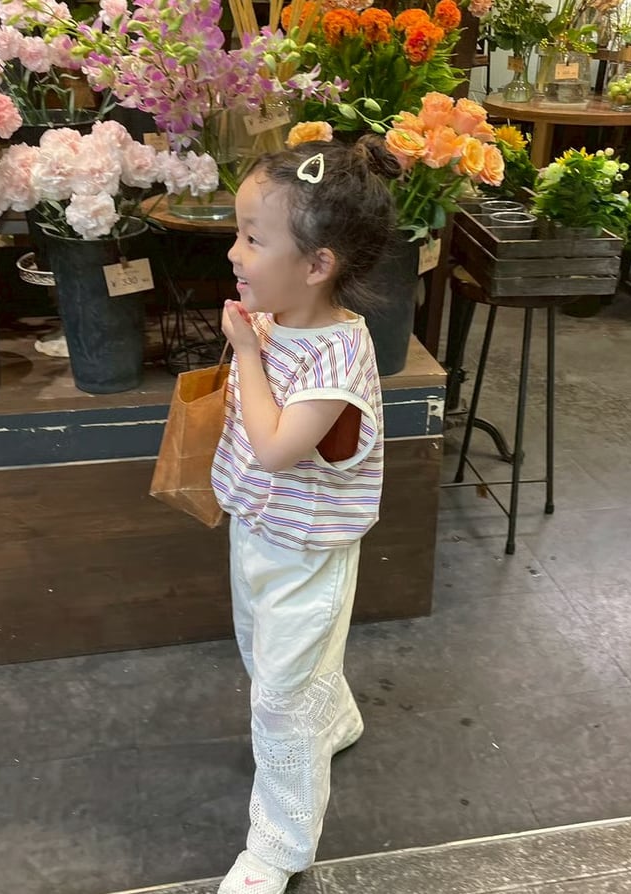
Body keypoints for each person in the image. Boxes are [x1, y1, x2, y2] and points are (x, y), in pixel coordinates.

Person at [210, 137, 400, 894]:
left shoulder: (337, 355)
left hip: (306, 552)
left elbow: (276, 449)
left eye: (253, 239)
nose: (235, 253)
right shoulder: (275, 317)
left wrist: (245, 355)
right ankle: (339, 717)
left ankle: (278, 848)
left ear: (318, 264)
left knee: (282, 698)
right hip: (259, 530)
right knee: (268, 660)